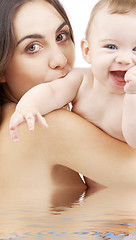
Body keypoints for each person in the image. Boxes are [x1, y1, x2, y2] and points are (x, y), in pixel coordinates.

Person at [1, 0, 136, 194]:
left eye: (62, 36)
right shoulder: (44, 123)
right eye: (32, 47)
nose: (61, 60)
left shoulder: (8, 119)